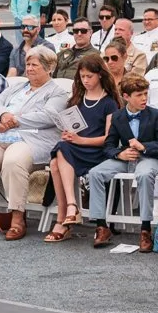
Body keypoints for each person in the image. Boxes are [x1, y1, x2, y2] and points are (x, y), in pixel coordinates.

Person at [0, 47, 70, 241]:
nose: (30, 68)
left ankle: (17, 218)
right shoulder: (18, 87)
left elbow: (49, 116)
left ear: (49, 67)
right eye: (28, 64)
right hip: (0, 136)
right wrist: (3, 115)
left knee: (13, 161)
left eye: (35, 65)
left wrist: (15, 120)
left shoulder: (57, 92)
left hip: (32, 139)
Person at [86, 77, 158, 250]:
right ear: (126, 96)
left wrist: (144, 147)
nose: (144, 98)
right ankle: (102, 226)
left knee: (144, 174)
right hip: (127, 158)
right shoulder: (118, 116)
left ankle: (145, 229)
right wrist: (120, 154)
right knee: (95, 173)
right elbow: (109, 145)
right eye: (139, 95)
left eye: (145, 94)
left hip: (150, 158)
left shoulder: (154, 114)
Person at [43, 54, 119, 242]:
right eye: (82, 76)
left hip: (97, 151)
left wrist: (78, 140)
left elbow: (109, 139)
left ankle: (65, 216)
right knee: (58, 155)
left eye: (89, 76)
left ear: (100, 75)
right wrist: (70, 136)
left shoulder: (109, 102)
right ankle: (69, 209)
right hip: (76, 149)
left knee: (57, 159)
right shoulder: (77, 98)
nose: (85, 80)